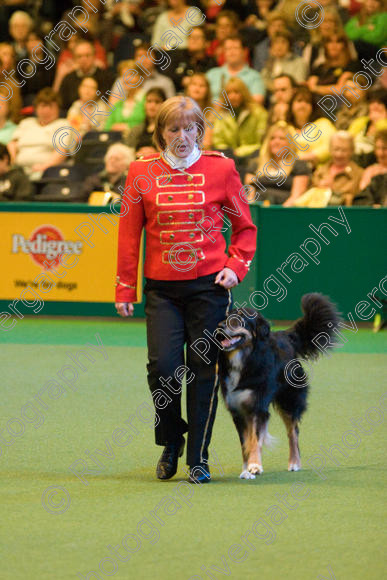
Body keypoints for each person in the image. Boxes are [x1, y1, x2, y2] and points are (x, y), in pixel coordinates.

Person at [115, 96, 257, 483]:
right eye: (173, 129)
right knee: (162, 368)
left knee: (203, 370)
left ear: (200, 130)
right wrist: (125, 286)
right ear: (160, 132)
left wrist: (234, 266)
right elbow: (129, 234)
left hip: (209, 288)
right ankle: (171, 441)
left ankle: (198, 457)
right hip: (161, 289)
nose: (182, 136)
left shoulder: (221, 168)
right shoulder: (140, 171)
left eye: (189, 127)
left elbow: (245, 227)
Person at [245, 121, 311, 205]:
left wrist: (279, 213)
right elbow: (250, 196)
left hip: (285, 211)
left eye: (281, 138)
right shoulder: (255, 164)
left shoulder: (299, 166)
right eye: (272, 138)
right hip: (259, 211)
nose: (276, 142)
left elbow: (296, 196)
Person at [8, 88, 68, 181]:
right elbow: (12, 144)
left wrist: (44, 167)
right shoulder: (26, 123)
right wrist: (12, 163)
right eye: (43, 106)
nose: (46, 111)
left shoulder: (63, 125)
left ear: (58, 109)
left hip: (47, 172)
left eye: (51, 106)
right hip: (19, 170)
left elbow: (62, 151)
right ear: (36, 108)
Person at [212, 77, 268, 174]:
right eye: (229, 93)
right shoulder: (221, 114)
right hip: (229, 155)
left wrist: (240, 151)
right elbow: (218, 141)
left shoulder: (258, 113)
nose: (232, 96)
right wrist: (231, 153)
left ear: (243, 94)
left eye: (236, 92)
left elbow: (262, 141)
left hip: (252, 154)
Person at [307, 131, 363, 207]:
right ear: (330, 149)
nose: (339, 154)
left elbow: (359, 201)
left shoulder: (360, 174)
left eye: (344, 150)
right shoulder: (319, 172)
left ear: (352, 151)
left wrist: (332, 191)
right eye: (336, 149)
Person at [206, 35, 265, 104]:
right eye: (228, 49)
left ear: (245, 52)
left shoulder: (255, 76)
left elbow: (257, 101)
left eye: (235, 48)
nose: (231, 52)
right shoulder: (211, 74)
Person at [58, 39, 114, 112]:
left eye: (87, 55)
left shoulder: (107, 77)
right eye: (79, 56)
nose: (83, 59)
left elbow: (111, 104)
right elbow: (62, 105)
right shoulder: (68, 79)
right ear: (74, 58)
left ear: (94, 56)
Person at [286, 86, 336, 165]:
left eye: (307, 102)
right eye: (299, 101)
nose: (303, 105)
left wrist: (301, 158)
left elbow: (331, 146)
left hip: (317, 170)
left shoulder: (323, 123)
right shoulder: (283, 126)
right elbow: (268, 150)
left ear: (312, 107)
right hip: (284, 171)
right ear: (291, 105)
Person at [126, 87, 167, 152]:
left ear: (164, 105)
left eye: (157, 102)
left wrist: (154, 153)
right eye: (149, 101)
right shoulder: (137, 129)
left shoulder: (168, 129)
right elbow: (127, 152)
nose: (152, 105)